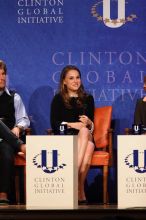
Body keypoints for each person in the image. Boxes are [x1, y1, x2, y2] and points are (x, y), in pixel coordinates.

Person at [50, 65, 95, 204]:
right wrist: (71, 124)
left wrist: (89, 122)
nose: (76, 81)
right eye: (71, 78)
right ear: (64, 81)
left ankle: (72, 173)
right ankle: (79, 188)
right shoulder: (58, 99)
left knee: (84, 131)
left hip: (84, 135)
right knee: (89, 147)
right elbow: (54, 124)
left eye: (77, 77)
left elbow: (92, 127)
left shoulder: (88, 99)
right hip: (66, 139)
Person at [0, 60, 30, 205]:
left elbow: (24, 119)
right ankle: (21, 146)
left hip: (6, 140)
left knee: (6, 148)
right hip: (14, 141)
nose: (2, 77)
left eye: (4, 74)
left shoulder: (14, 97)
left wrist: (18, 127)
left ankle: (3, 193)